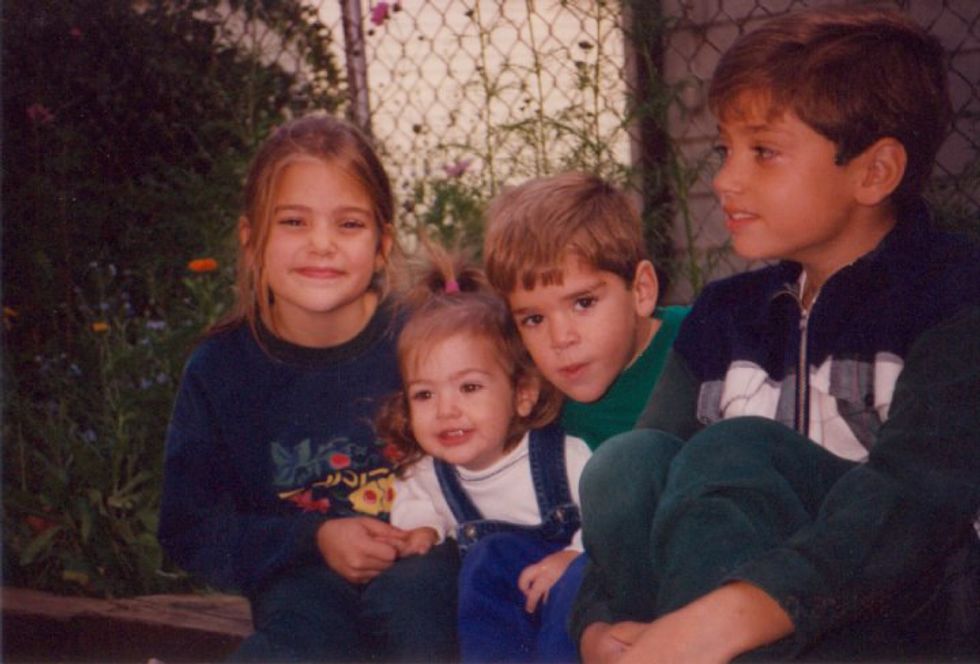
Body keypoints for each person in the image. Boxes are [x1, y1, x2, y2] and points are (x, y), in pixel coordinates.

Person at [571, 6, 980, 662]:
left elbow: (916, 499)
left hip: (904, 618)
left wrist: (741, 610)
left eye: (763, 151)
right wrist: (597, 624)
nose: (725, 179)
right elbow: (634, 487)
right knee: (627, 462)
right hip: (712, 615)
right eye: (725, 150)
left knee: (735, 450)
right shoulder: (725, 316)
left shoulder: (953, 296)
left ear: (874, 171)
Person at [157, 114, 459, 662]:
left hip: (425, 568)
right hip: (302, 580)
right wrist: (311, 539)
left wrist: (432, 533)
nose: (322, 244)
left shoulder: (426, 339)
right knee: (300, 643)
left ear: (382, 243)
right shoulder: (222, 369)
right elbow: (189, 528)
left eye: (349, 224)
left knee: (418, 614)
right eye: (294, 222)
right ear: (251, 240)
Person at [376, 247, 592, 662]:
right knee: (485, 561)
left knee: (575, 584)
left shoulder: (562, 458)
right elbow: (415, 498)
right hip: (509, 607)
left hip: (572, 588)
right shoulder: (432, 473)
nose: (446, 410)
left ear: (523, 394)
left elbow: (606, 519)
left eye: (470, 388)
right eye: (424, 395)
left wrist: (572, 554)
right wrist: (422, 527)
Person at [483, 171, 688, 452]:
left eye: (583, 303)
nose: (561, 338)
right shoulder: (533, 399)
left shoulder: (705, 344)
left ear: (641, 290)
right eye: (534, 319)